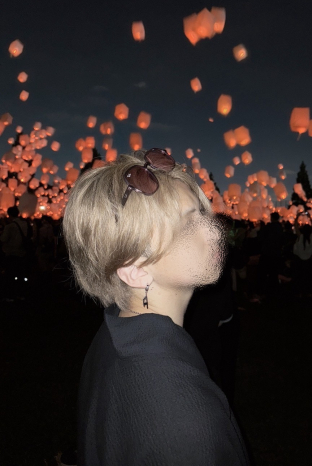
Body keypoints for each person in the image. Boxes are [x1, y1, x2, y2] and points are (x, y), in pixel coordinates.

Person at [63, 149, 250, 466]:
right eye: (188, 224)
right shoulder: (186, 421)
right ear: (136, 270)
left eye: (202, 213)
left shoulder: (117, 329)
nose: (213, 229)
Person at [0, 205, 31, 301]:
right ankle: (21, 294)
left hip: (12, 253)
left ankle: (10, 295)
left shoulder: (10, 226)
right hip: (23, 252)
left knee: (10, 275)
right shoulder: (25, 224)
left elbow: (3, 239)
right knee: (21, 274)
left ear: (9, 215)